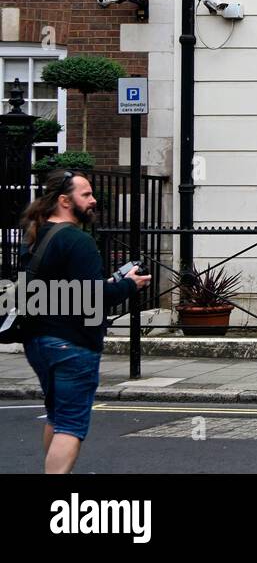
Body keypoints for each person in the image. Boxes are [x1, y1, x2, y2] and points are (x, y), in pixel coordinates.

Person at [18, 171, 152, 473]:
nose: (93, 201)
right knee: (70, 425)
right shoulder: (78, 240)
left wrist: (104, 283)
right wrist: (129, 285)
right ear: (65, 201)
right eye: (86, 195)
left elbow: (62, 290)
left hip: (38, 341)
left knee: (56, 416)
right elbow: (93, 298)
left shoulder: (37, 238)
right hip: (72, 345)